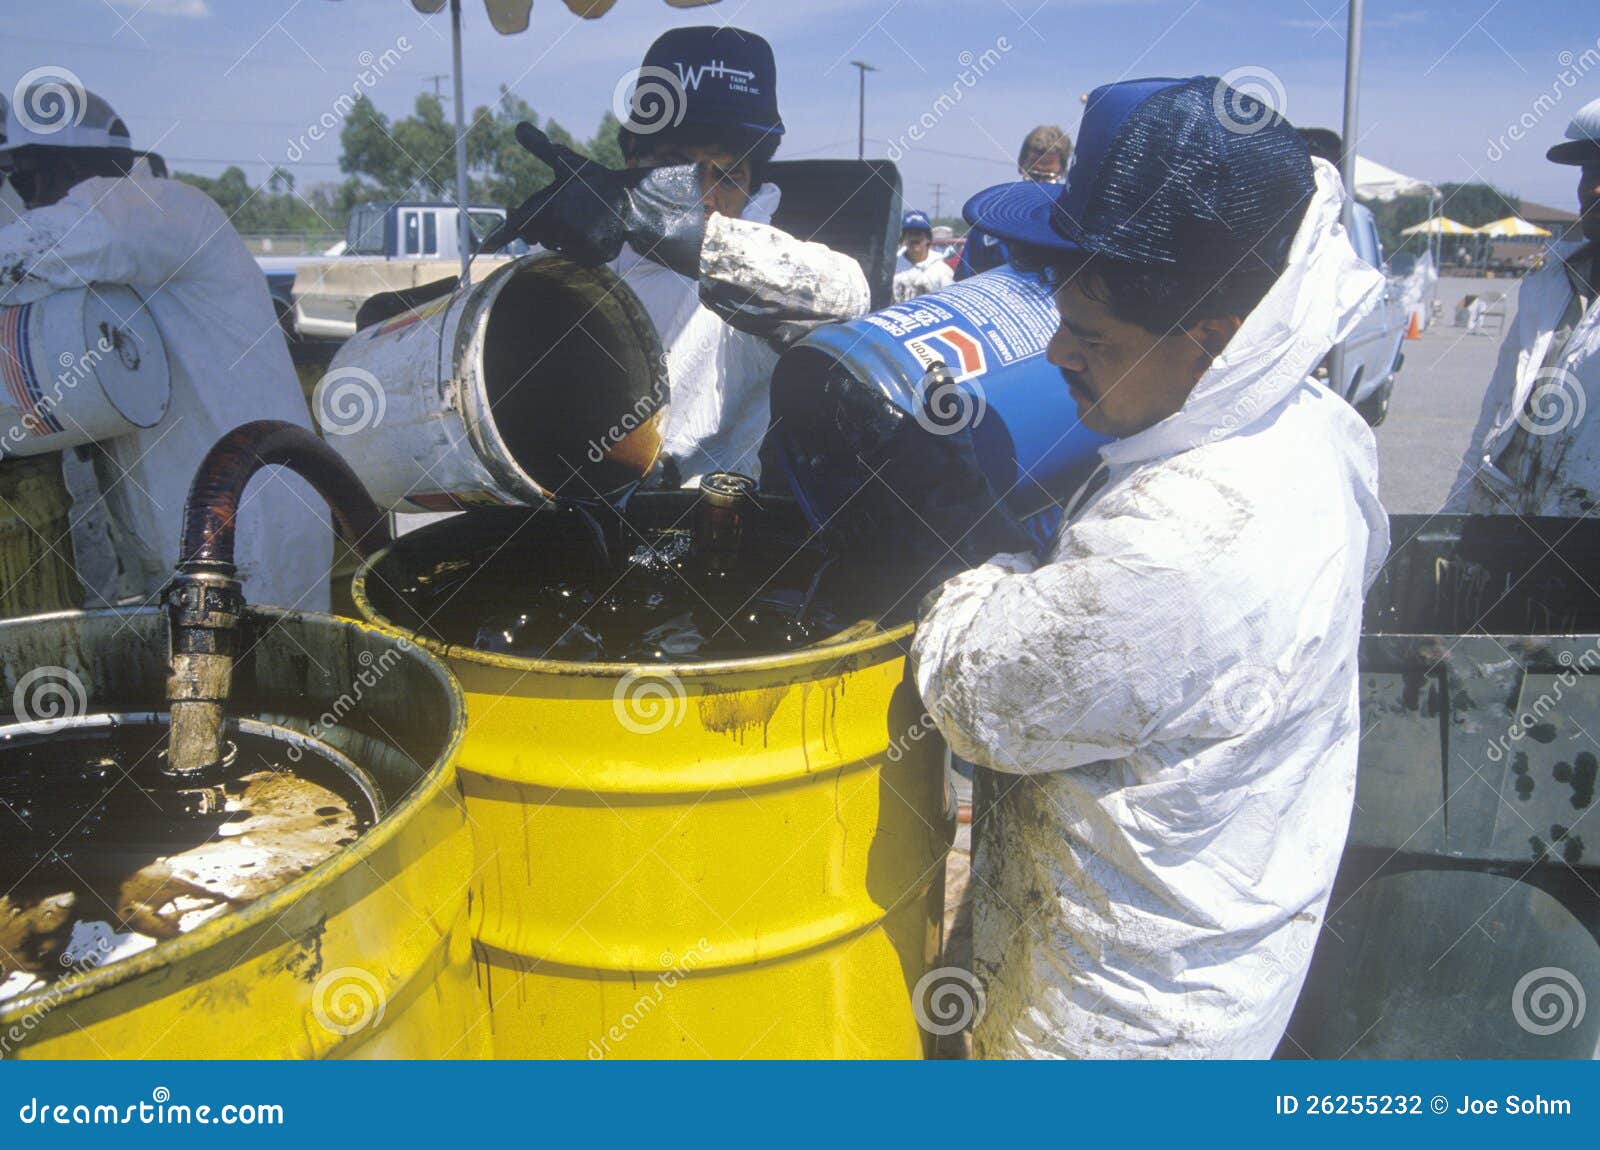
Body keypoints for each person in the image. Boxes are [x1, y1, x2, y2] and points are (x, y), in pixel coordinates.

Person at [907, 76, 1390, 1058]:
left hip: (1108, 1024)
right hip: (1219, 947)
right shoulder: (1313, 424)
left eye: (1090, 337)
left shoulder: (1177, 547)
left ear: (1210, 339)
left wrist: (975, 566)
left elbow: (976, 695)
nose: (1055, 354)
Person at [0, 83, 330, 611]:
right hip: (195, 533)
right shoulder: (124, 257)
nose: (29, 200)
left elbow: (34, 247)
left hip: (248, 525)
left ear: (77, 164)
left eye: (25, 177)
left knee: (260, 687)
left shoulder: (161, 207)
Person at [495, 27, 870, 488]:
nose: (702, 196)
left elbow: (850, 297)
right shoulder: (574, 258)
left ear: (753, 187)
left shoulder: (766, 275)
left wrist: (692, 238)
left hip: (710, 529)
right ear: (632, 161)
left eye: (729, 175)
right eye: (673, 167)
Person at [1446, 95, 1600, 515]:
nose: (1594, 187)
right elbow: (1497, 409)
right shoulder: (1549, 283)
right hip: (1518, 525)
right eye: (1589, 170)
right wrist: (1456, 518)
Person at [956, 124, 1071, 280]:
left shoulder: (1071, 225)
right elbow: (965, 280)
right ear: (1020, 165)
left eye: (1048, 178)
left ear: (1062, 172)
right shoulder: (989, 219)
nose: (1039, 186)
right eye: (1033, 176)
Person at [893, 208, 954, 301]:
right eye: (910, 234)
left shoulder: (942, 270)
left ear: (928, 238)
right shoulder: (893, 268)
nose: (914, 238)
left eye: (918, 234)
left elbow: (950, 301)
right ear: (904, 238)